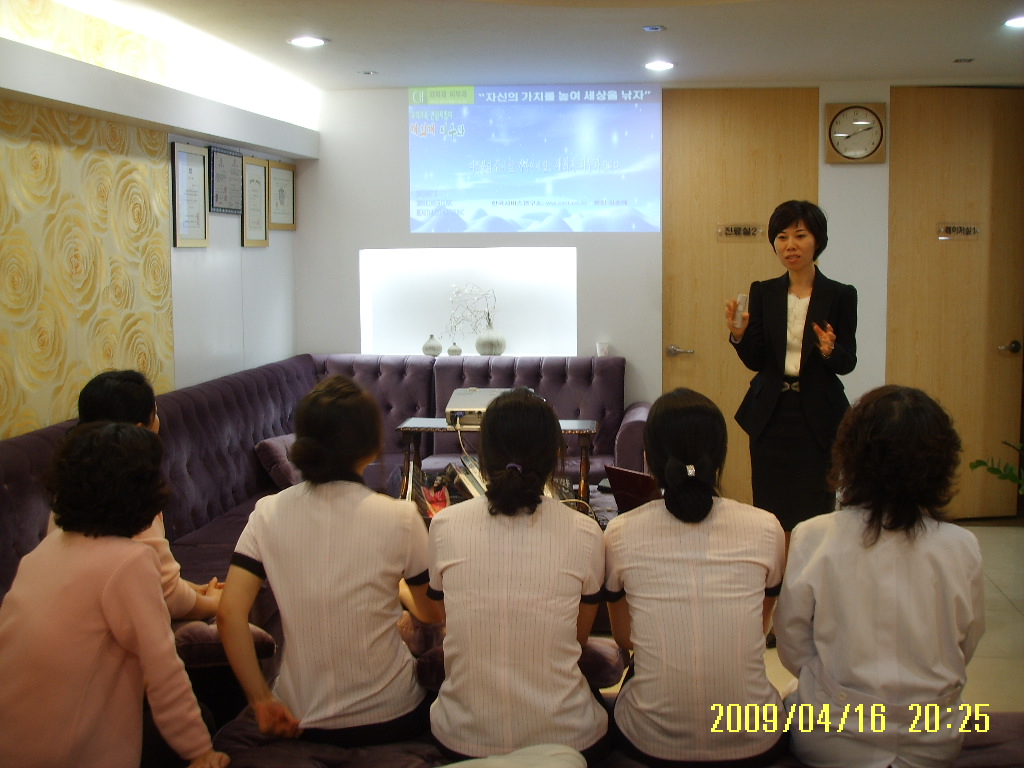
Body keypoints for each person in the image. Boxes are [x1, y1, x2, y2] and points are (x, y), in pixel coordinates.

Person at [216, 375, 441, 746]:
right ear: (370, 446)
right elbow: (432, 612)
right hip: (393, 714)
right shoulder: (400, 516)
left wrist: (261, 701)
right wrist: (399, 588)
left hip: (299, 717)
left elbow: (228, 615)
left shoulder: (266, 513)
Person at [773, 386, 985, 768]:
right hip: (934, 742)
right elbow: (965, 643)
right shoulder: (962, 545)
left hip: (832, 741)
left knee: (789, 696)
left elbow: (792, 645)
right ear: (941, 463)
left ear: (851, 456)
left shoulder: (814, 536)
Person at [0, 422, 229, 768]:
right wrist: (201, 752)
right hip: (70, 753)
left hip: (12, 743)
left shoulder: (42, 552)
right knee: (207, 717)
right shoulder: (130, 563)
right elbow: (164, 670)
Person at [604, 388, 787, 767]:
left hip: (649, 741)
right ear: (721, 456)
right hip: (755, 739)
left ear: (648, 457)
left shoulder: (620, 532)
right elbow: (759, 627)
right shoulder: (767, 528)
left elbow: (624, 638)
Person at [427, 388, 609, 764]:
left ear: (483, 456)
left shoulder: (444, 526)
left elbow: (448, 622)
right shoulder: (586, 532)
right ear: (554, 456)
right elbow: (576, 638)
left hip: (461, 737)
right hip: (569, 738)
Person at [725, 200, 858, 540]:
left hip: (818, 414)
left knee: (816, 506)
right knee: (770, 506)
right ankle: (775, 564)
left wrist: (830, 350)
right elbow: (757, 360)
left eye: (800, 236)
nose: (790, 245)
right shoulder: (764, 291)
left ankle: (812, 563)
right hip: (770, 414)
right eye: (782, 237)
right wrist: (739, 335)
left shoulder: (840, 294)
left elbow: (848, 362)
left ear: (817, 241)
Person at [48, 369, 222, 620]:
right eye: (155, 413)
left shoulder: (68, 487)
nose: (159, 420)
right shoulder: (134, 492)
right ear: (140, 430)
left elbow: (151, 579)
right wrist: (214, 603)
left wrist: (196, 590)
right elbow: (166, 597)